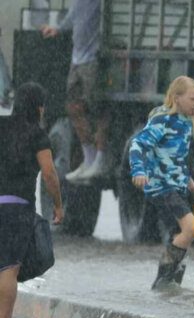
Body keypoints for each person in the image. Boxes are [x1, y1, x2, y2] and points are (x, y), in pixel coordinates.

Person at [0, 82, 64, 318]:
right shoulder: (37, 134)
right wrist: (58, 204)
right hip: (17, 208)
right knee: (8, 269)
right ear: (39, 108)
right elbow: (49, 174)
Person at [129, 76, 194, 290]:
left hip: (177, 187)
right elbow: (137, 144)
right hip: (162, 187)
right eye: (192, 99)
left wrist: (191, 185)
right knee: (192, 228)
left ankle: (169, 288)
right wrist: (138, 170)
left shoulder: (186, 123)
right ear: (177, 98)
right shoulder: (163, 120)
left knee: (180, 235)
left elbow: (176, 160)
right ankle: (163, 281)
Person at [41, 0, 110, 183]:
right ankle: (89, 157)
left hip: (92, 60)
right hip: (77, 60)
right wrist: (56, 28)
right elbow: (72, 17)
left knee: (96, 109)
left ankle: (100, 158)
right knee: (73, 108)